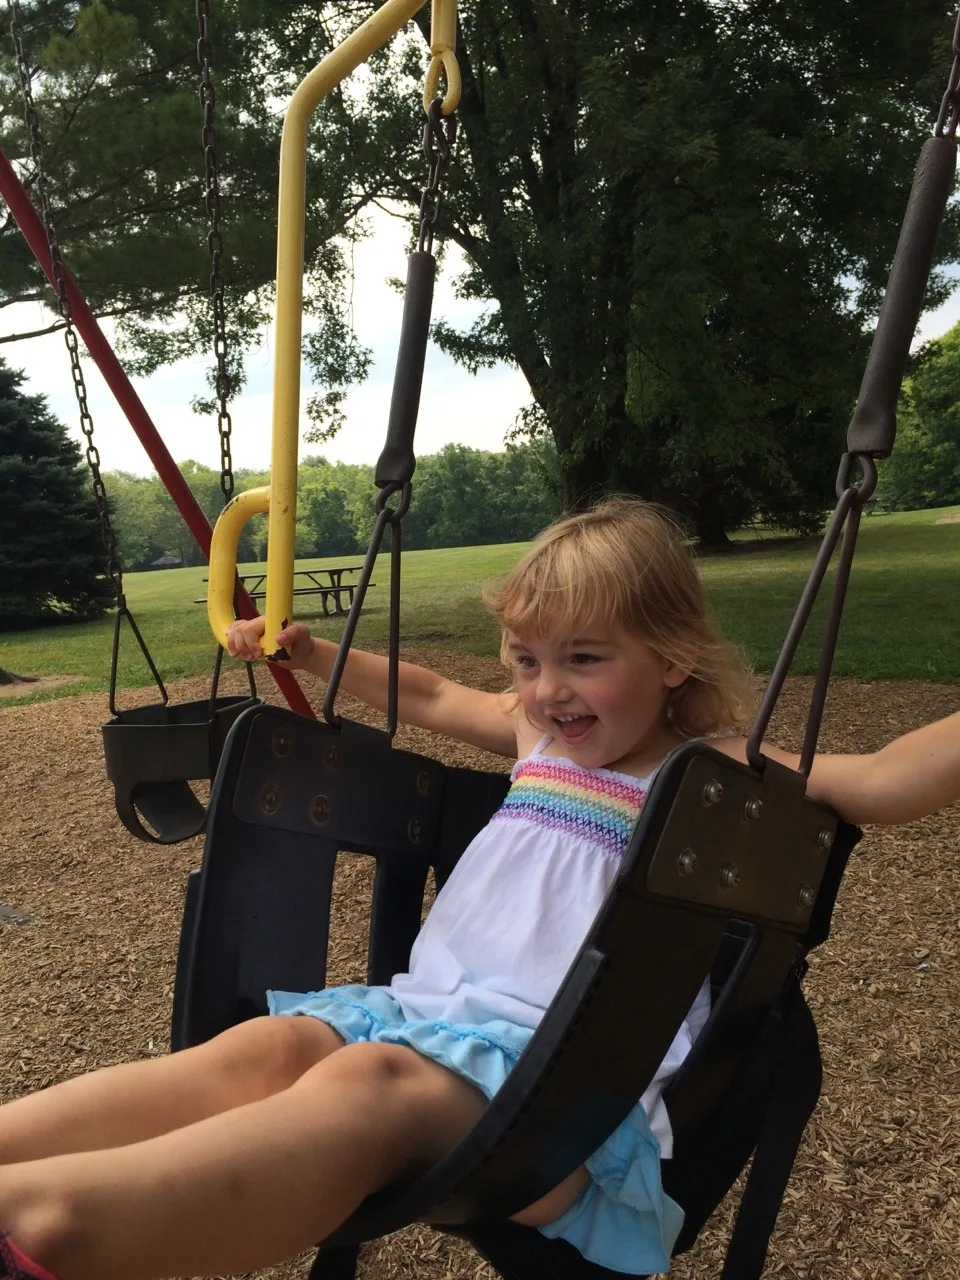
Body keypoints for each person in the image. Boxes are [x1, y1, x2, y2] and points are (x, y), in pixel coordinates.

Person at [1, 498, 959, 1280]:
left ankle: (48, 1230)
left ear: (673, 659)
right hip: (423, 1018)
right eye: (527, 661)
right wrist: (315, 655)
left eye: (585, 658)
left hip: (562, 1084)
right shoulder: (537, 740)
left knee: (362, 1083)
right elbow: (424, 696)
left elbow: (886, 781)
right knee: (270, 1045)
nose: (549, 692)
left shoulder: (710, 770)